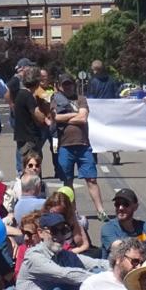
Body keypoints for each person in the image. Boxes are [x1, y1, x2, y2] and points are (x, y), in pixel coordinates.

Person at [16, 213, 106, 290]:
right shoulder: (34, 257)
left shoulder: (64, 255)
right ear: (41, 233)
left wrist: (122, 267)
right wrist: (102, 279)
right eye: (54, 231)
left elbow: (96, 263)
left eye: (63, 231)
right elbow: (64, 274)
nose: (59, 236)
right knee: (69, 284)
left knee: (94, 272)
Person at [52, 73, 107, 221]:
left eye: (69, 84)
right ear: (60, 86)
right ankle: (73, 212)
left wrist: (65, 119)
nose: (68, 87)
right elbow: (54, 118)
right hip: (65, 145)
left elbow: (83, 118)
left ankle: (100, 210)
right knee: (67, 181)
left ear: (74, 84)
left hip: (83, 145)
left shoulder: (80, 99)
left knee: (91, 179)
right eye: (65, 84)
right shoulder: (56, 99)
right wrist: (72, 115)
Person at [100, 186, 146, 255]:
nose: (120, 208)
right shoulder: (108, 228)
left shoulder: (145, 227)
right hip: (115, 265)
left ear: (135, 207)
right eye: (117, 204)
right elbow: (121, 250)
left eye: (125, 204)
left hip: (140, 265)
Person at [10, 65, 48, 175]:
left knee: (28, 167)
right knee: (32, 169)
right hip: (29, 139)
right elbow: (39, 116)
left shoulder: (21, 94)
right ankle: (32, 191)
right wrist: (45, 109)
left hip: (24, 137)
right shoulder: (28, 96)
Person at [85, 59, 122, 166]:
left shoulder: (93, 81)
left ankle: (94, 156)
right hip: (110, 110)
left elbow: (91, 96)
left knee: (95, 133)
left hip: (97, 111)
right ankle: (115, 152)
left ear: (94, 69)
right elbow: (116, 95)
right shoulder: (111, 80)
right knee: (111, 133)